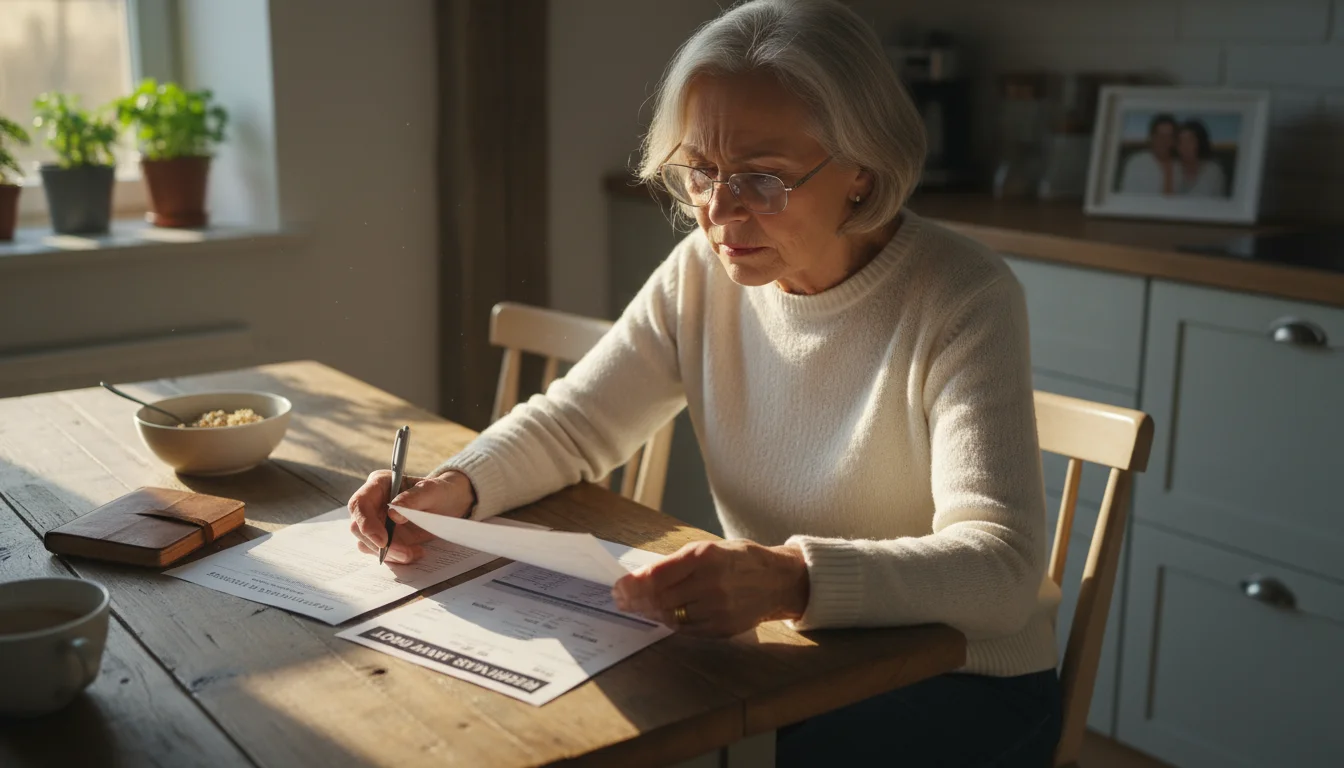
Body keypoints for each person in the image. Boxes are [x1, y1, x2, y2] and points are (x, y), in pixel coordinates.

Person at [347, 0, 1062, 764]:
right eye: (700, 170)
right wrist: (454, 488)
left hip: (958, 676)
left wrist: (792, 579)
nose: (719, 212)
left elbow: (1003, 569)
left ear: (862, 171)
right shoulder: (702, 274)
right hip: (792, 655)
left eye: (763, 178)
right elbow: (576, 423)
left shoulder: (962, 295)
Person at [1116, 113, 1177, 195]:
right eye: (1160, 136)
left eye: (1168, 136)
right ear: (1152, 138)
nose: (1164, 141)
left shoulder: (1178, 166)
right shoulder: (1136, 162)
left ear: (1173, 140)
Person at [1175, 118, 1228, 197]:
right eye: (1181, 142)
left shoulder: (1214, 172)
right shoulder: (1172, 168)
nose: (1185, 147)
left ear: (1200, 143)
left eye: (1190, 141)